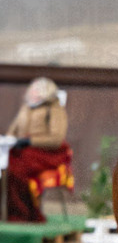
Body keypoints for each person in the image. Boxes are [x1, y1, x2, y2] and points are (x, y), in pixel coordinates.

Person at [4, 77, 72, 223]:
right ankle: (6, 210)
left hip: (45, 153)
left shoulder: (54, 109)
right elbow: (13, 130)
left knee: (16, 170)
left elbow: (56, 139)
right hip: (21, 149)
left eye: (37, 91)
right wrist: (9, 140)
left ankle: (24, 212)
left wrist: (30, 141)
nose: (33, 93)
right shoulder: (26, 107)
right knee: (4, 164)